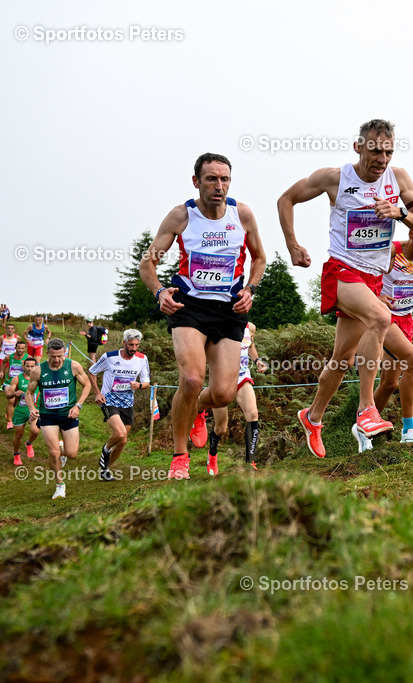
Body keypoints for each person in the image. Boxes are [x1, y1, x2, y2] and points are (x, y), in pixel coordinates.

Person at [279, 119, 413, 457]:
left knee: (342, 359)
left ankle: (313, 416)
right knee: (380, 317)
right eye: (375, 151)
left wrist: (400, 212)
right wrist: (292, 244)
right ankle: (366, 411)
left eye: (388, 152)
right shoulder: (335, 178)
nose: (382, 159)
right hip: (342, 271)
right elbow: (286, 199)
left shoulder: (399, 179)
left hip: (373, 279)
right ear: (359, 147)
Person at [139, 152, 266, 480]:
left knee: (224, 393)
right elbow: (147, 263)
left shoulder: (243, 215)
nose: (219, 186)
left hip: (230, 309)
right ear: (197, 182)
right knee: (193, 379)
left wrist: (250, 289)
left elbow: (260, 258)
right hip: (189, 306)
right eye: (211, 179)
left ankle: (193, 407)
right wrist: (159, 292)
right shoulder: (182, 216)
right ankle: (179, 455)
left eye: (224, 179)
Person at [351, 222, 413, 452]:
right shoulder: (392, 250)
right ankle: (408, 431)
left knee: (391, 383)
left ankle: (364, 430)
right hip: (385, 318)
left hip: (405, 320)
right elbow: (365, 278)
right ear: (411, 233)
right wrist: (376, 297)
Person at [25, 339, 91, 499]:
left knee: (72, 453)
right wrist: (32, 409)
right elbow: (29, 392)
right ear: (47, 353)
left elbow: (87, 385)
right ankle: (60, 485)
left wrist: (78, 406)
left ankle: (62, 447)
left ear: (65, 353)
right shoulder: (38, 371)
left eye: (60, 356)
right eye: (53, 356)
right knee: (53, 453)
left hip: (69, 415)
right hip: (48, 416)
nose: (56, 360)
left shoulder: (73, 366)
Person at [87, 329, 150, 481]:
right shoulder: (109, 357)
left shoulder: (142, 358)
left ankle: (105, 470)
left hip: (127, 402)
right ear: (124, 343)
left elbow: (146, 382)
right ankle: (106, 448)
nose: (134, 348)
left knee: (122, 440)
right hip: (109, 400)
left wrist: (139, 385)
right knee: (120, 434)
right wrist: (97, 393)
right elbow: (92, 372)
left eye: (136, 345)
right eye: (131, 345)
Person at [208, 322, 268, 473]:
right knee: (221, 428)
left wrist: (257, 361)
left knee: (253, 414)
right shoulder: (220, 322)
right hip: (222, 380)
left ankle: (250, 462)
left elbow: (250, 345)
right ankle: (212, 455)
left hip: (242, 377)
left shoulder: (251, 327)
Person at [6, 356, 41, 466]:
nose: (30, 369)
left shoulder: (40, 379)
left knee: (35, 431)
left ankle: (29, 443)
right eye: (27, 366)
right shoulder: (17, 378)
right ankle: (16, 454)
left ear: (36, 367)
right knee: (19, 435)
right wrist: (14, 394)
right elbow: (8, 394)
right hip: (21, 410)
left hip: (35, 410)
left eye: (32, 366)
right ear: (23, 366)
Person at [1, 340, 30, 427]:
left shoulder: (28, 358)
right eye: (18, 348)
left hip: (20, 383)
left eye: (22, 348)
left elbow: (33, 368)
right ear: (15, 348)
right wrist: (2, 371)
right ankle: (10, 422)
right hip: (9, 382)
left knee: (16, 402)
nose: (20, 350)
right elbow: (3, 362)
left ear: (25, 349)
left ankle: (9, 412)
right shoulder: (9, 357)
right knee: (11, 399)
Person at [0, 324, 22, 392]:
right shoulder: (2, 337)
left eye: (11, 328)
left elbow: (20, 346)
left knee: (11, 371)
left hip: (13, 357)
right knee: (2, 372)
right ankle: (2, 384)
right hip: (3, 356)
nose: (10, 330)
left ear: (14, 330)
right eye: (8, 328)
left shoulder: (17, 337)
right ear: (6, 329)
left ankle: (13, 384)